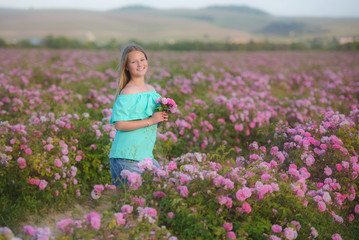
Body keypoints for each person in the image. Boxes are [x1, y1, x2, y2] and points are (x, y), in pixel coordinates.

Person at [109, 43, 168, 186]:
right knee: (133, 202)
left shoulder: (151, 90)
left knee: (162, 189)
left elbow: (154, 122)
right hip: (126, 157)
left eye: (142, 59)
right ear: (127, 67)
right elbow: (120, 124)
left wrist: (160, 117)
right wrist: (150, 120)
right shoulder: (128, 92)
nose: (140, 64)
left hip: (145, 156)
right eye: (134, 61)